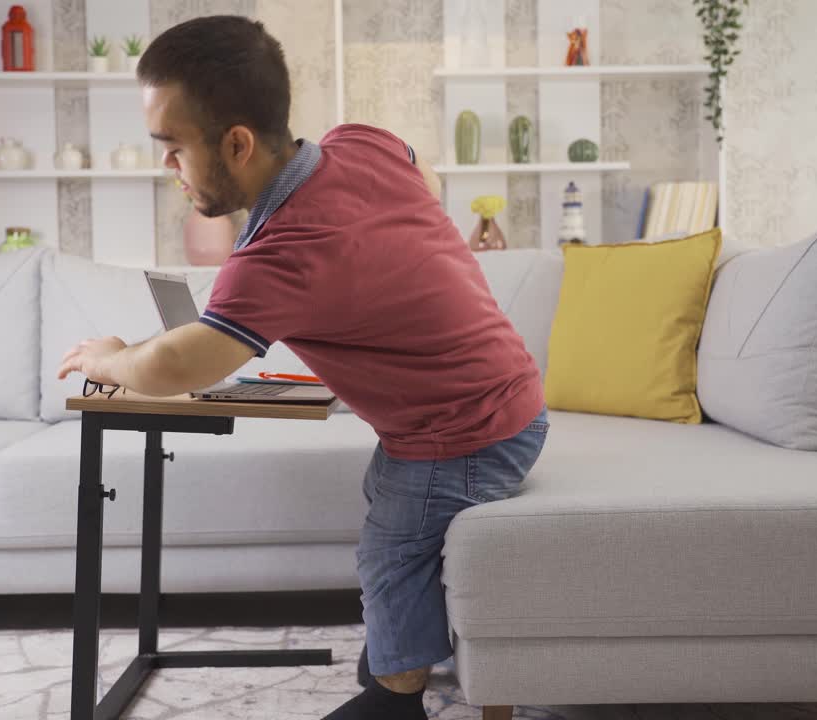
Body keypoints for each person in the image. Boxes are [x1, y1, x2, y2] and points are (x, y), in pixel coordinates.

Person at [56, 15, 549, 720]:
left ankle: (394, 698)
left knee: (389, 547)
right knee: (388, 492)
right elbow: (426, 175)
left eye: (171, 148)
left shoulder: (280, 252)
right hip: (503, 400)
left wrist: (113, 360)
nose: (165, 166)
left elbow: (176, 368)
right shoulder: (362, 143)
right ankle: (402, 637)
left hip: (467, 432)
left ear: (236, 142)